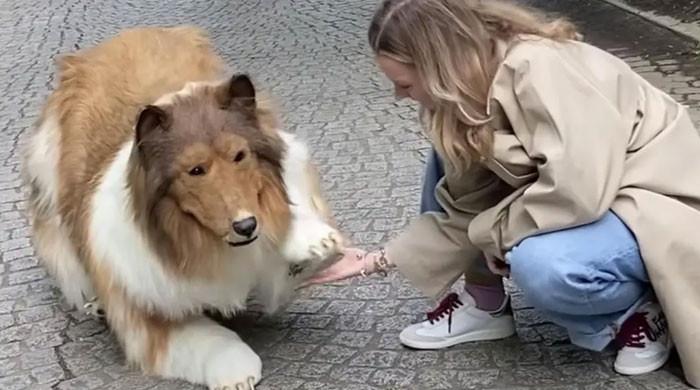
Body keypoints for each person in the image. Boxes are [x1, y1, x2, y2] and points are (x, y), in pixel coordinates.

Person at [305, 0, 700, 386]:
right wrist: (373, 261)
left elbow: (577, 191)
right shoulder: (464, 97)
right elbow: (462, 205)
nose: (399, 96)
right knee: (449, 158)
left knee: (544, 264)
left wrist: (496, 233)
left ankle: (638, 312)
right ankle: (484, 303)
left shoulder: (541, 67)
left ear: (440, 65)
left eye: (404, 84)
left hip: (654, 200)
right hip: (599, 199)